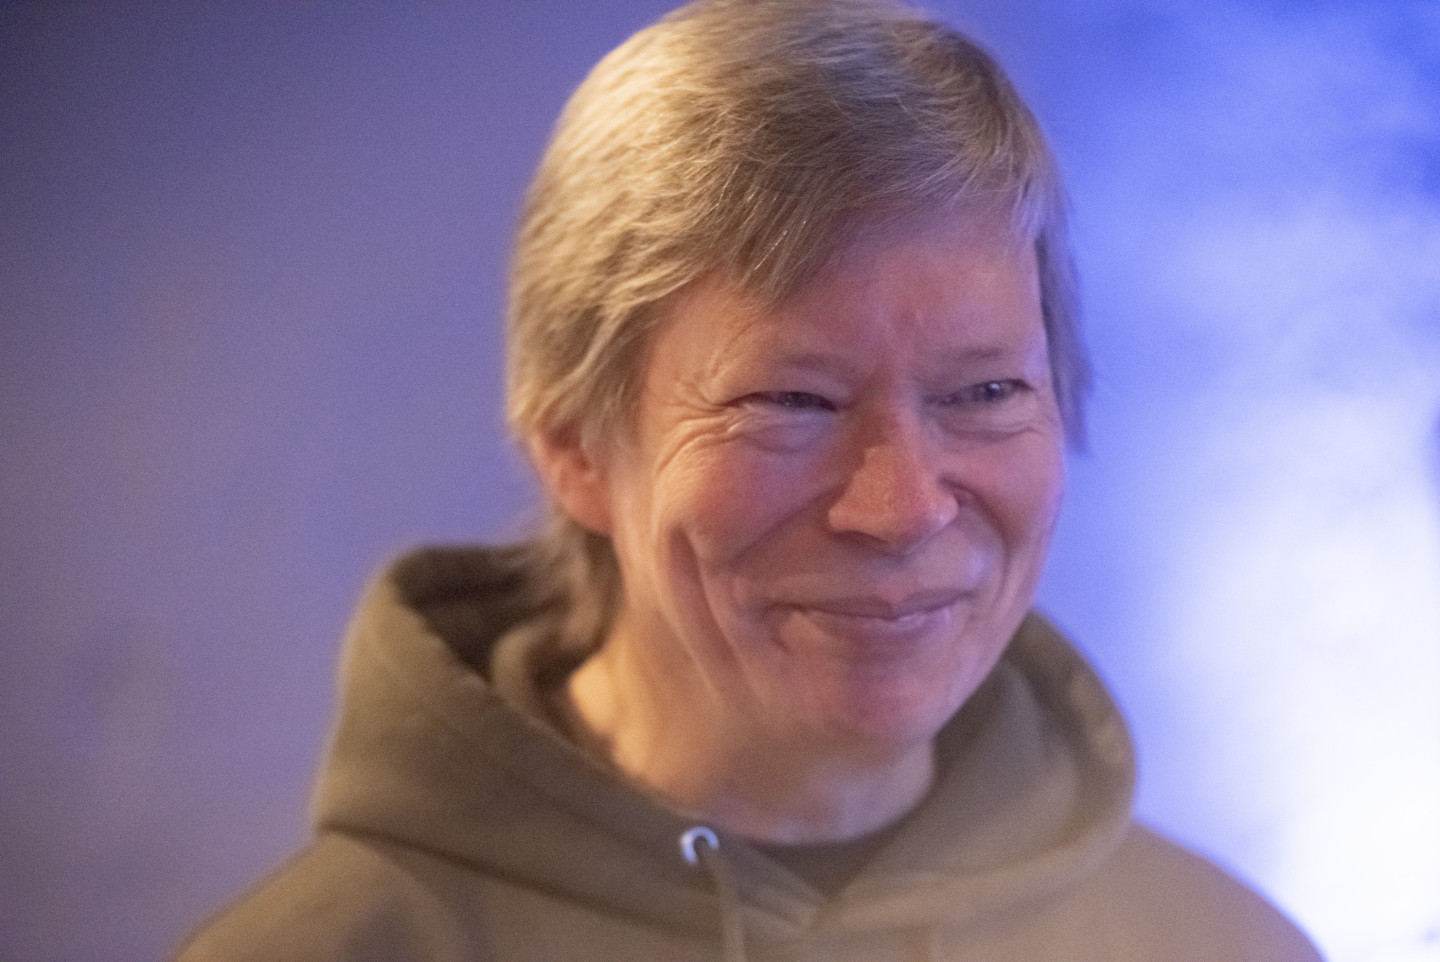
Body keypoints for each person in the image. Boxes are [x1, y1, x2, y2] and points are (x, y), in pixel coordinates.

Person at [176, 0, 1323, 959]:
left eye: (984, 391)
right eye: (791, 402)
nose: (903, 507)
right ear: (575, 446)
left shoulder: (1221, 942)